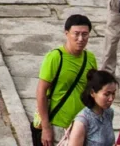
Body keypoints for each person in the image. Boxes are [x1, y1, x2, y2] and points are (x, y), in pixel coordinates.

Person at [32, 13, 98, 146]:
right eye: (76, 34)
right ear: (67, 33)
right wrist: (46, 127)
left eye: (84, 34)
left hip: (81, 124)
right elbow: (41, 92)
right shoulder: (56, 57)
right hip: (57, 124)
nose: (80, 38)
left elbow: (93, 90)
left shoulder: (90, 58)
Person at [67, 71, 117, 146]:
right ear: (92, 92)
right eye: (107, 94)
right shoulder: (82, 121)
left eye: (113, 93)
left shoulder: (109, 112)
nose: (111, 99)